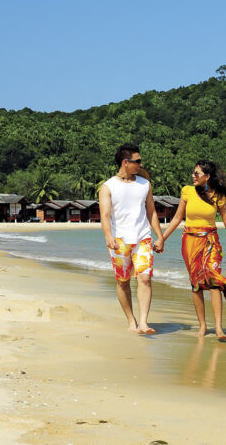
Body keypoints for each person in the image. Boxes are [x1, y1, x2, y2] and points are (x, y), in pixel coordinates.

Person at [161, 160, 226, 339]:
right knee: (197, 284)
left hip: (211, 241)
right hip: (190, 242)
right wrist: (161, 239)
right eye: (193, 172)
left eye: (197, 173)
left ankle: (219, 328)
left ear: (207, 176)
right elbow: (176, 219)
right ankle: (203, 326)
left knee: (213, 280)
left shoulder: (218, 196)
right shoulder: (187, 191)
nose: (193, 176)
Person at [99, 143, 165, 334]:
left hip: (143, 237)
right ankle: (131, 320)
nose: (141, 164)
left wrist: (159, 236)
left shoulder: (145, 184)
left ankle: (143, 322)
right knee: (123, 281)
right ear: (126, 162)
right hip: (119, 241)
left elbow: (151, 212)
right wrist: (108, 236)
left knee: (144, 278)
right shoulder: (107, 187)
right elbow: (104, 216)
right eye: (138, 161)